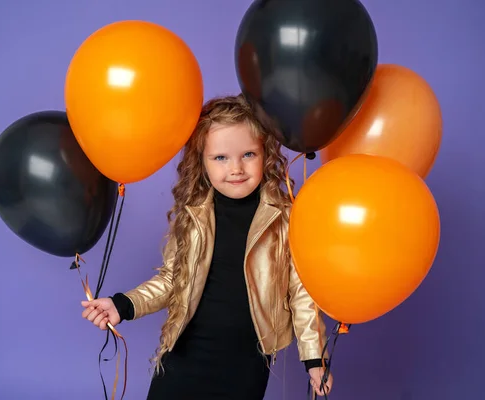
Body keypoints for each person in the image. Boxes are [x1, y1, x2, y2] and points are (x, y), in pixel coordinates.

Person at [81, 94, 333, 399]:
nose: (236, 168)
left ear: (266, 153)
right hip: (186, 354)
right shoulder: (194, 215)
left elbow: (302, 293)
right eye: (221, 158)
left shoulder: (285, 218)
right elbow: (172, 280)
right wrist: (123, 305)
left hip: (246, 363)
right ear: (201, 161)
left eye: (249, 154)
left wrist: (314, 359)